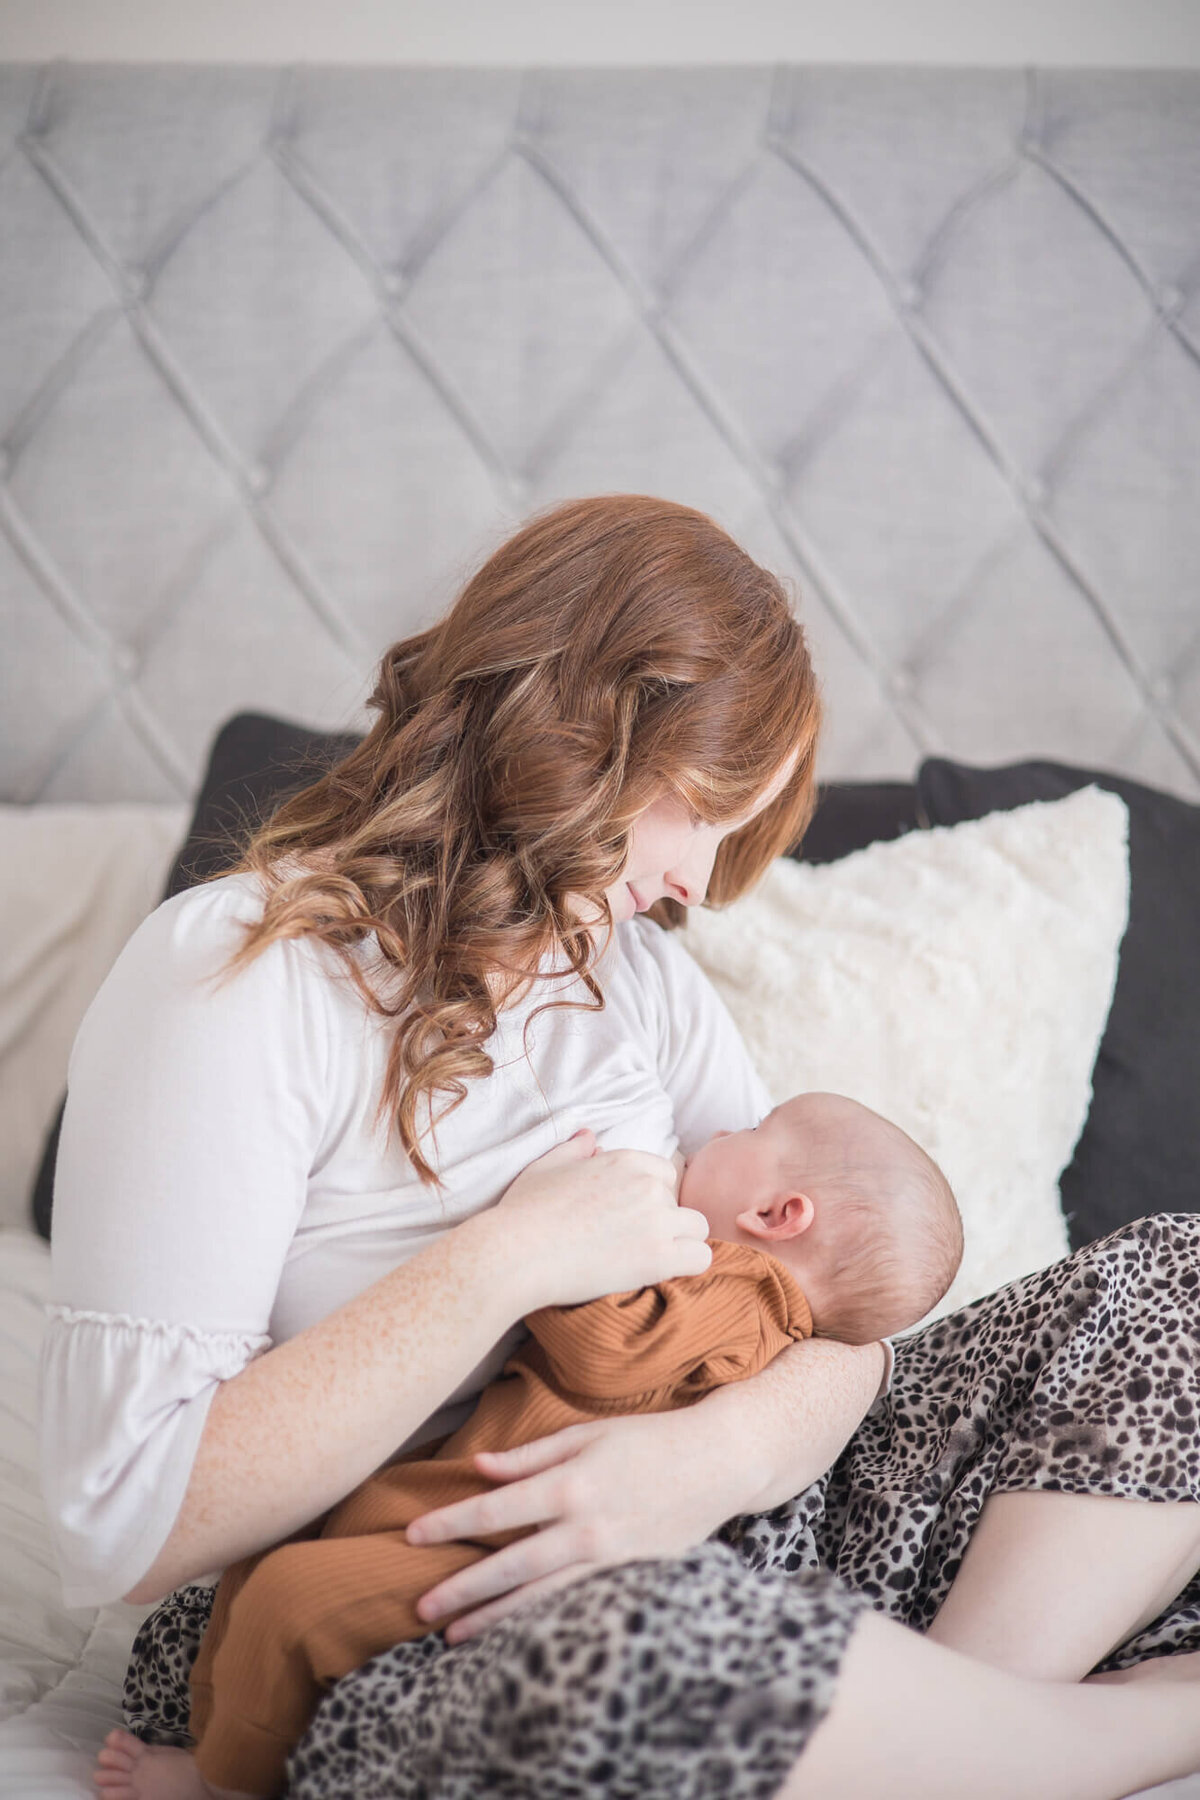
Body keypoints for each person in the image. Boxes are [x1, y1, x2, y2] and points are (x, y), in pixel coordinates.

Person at [40, 495, 1200, 1800]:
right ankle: (1099, 1738)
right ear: (580, 732)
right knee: (640, 1663)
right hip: (399, 1585)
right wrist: (501, 1261)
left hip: (706, 1503)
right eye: (704, 810)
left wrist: (710, 1464)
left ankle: (966, 1731)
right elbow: (124, 1525)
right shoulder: (242, 977)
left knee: (1183, 1289)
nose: (700, 886)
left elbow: (828, 1326)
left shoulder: (636, 979)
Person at [95, 1093, 964, 1799]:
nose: (721, 1130)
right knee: (266, 1562)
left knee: (289, 1598)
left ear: (779, 1213)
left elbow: (606, 1352)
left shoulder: (742, 1296)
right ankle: (219, 1741)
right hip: (453, 1502)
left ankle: (224, 1787)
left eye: (752, 1132)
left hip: (497, 1544)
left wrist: (545, 1235)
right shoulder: (732, 1284)